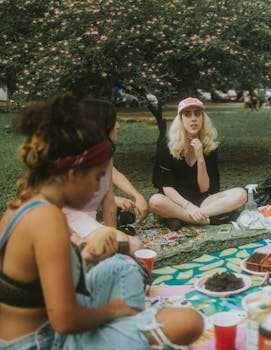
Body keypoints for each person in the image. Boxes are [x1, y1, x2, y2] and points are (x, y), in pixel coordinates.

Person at [0, 93, 203, 349]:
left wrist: (87, 255)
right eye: (97, 178)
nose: (100, 187)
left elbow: (34, 278)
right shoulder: (46, 219)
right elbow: (65, 321)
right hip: (43, 341)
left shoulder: (29, 203)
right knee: (188, 322)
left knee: (123, 266)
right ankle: (127, 328)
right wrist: (114, 310)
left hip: (50, 321)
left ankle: (127, 327)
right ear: (73, 174)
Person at [62, 98, 144, 255]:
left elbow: (108, 202)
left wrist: (112, 236)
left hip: (87, 224)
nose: (118, 126)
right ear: (101, 125)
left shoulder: (106, 156)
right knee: (133, 247)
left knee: (133, 246)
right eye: (114, 121)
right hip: (65, 223)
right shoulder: (73, 159)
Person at [149, 97, 247, 226]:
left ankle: (184, 218)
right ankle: (206, 219)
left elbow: (204, 188)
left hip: (203, 201)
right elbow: (167, 187)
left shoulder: (209, 145)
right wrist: (188, 206)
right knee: (155, 201)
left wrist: (200, 158)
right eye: (187, 114)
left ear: (203, 119)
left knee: (241, 194)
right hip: (175, 201)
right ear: (181, 120)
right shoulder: (167, 145)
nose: (193, 118)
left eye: (197, 113)